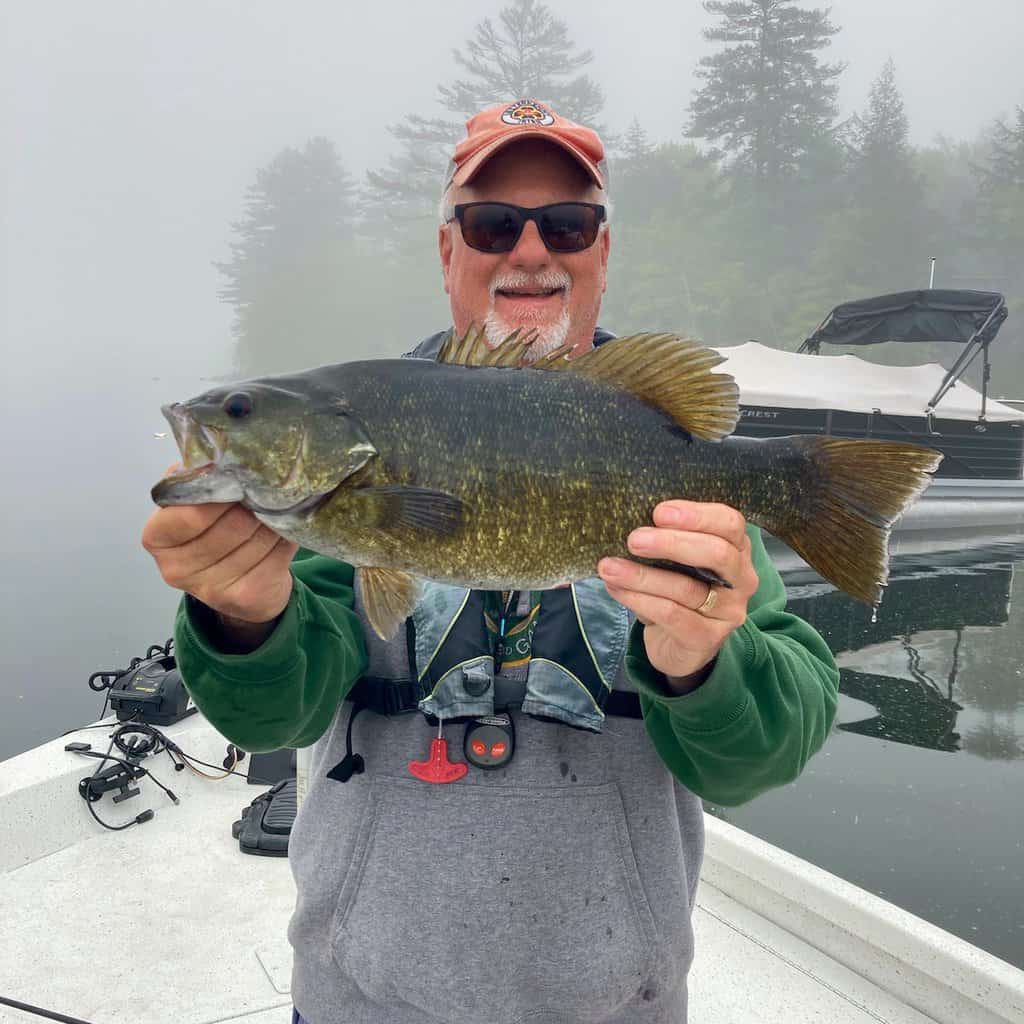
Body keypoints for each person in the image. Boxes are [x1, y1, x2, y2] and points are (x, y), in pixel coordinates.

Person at [142, 100, 839, 1024]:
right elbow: (271, 714)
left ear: (601, 252)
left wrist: (704, 660)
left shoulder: (678, 483)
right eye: (492, 223)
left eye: (568, 223)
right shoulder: (349, 466)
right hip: (365, 1000)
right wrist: (241, 618)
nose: (530, 249)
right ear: (448, 251)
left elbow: (764, 756)